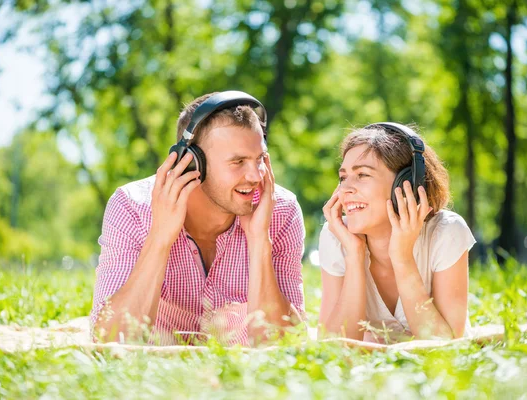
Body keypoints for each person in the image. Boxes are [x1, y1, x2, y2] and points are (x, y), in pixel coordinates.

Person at [90, 91, 306, 346]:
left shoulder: (281, 210)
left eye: (259, 159)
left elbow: (285, 348)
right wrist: (159, 239)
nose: (256, 176)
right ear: (193, 163)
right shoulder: (132, 207)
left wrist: (260, 241)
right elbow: (110, 340)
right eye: (238, 162)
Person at [318, 123, 475, 342]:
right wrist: (354, 255)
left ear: (406, 184)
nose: (344, 190)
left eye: (362, 175)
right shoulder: (336, 235)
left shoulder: (446, 232)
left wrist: (402, 258)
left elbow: (446, 346)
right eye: (343, 177)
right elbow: (332, 347)